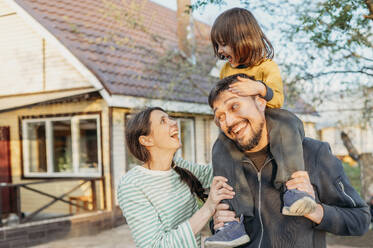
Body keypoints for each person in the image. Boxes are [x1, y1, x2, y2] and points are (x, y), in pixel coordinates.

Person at [208, 74, 371, 247]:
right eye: (220, 117)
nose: (229, 121)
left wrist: (315, 210)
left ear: (260, 103)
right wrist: (217, 222)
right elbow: (227, 225)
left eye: (234, 106)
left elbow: (360, 219)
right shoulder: (226, 164)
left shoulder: (314, 154)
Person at [205, 7, 316, 247]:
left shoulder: (267, 66)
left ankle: (294, 189)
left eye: (224, 44)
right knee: (220, 147)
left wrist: (257, 89)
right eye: (218, 46)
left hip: (270, 123)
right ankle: (233, 221)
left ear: (242, 39)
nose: (221, 51)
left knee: (288, 120)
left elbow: (276, 99)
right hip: (243, 129)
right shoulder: (226, 70)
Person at [117, 107, 235, 247]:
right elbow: (155, 245)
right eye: (163, 121)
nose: (173, 123)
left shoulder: (178, 166)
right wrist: (209, 207)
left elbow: (219, 173)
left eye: (170, 118)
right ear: (146, 140)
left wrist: (228, 124)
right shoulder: (131, 185)